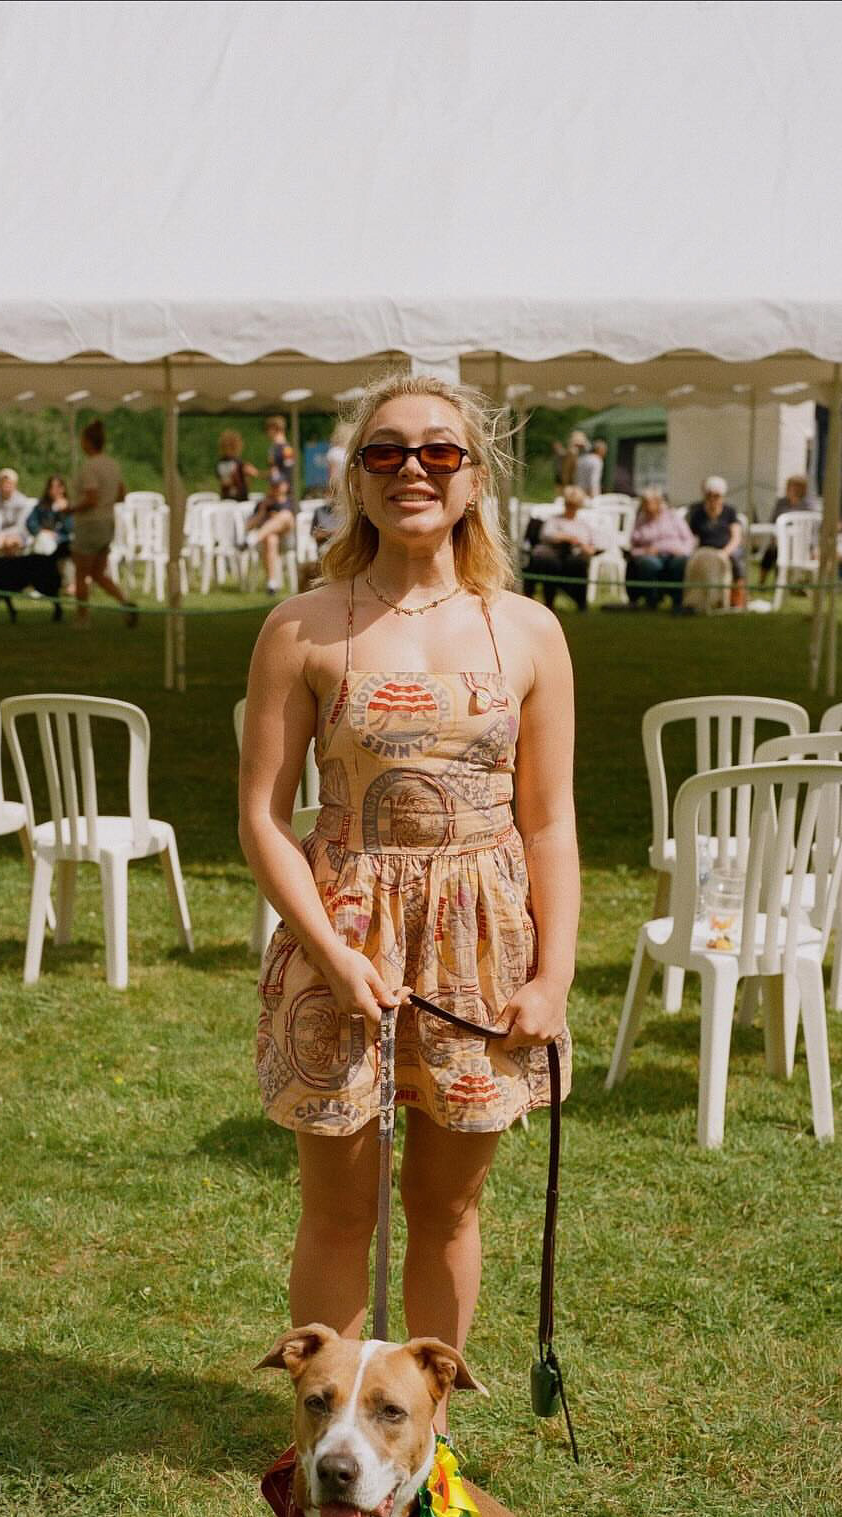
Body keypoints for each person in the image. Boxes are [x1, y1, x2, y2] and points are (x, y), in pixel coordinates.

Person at [239, 371, 576, 1435]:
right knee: (341, 1212)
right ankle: (330, 1433)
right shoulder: (302, 627)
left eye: (439, 451)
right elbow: (262, 816)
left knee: (448, 1207)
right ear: (356, 480)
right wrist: (331, 954)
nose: (413, 470)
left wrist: (554, 976)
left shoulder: (528, 630)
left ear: (476, 478)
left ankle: (422, 1435)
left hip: (481, 952)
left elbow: (550, 823)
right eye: (385, 452)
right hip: (341, 938)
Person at [71, 419, 139, 627]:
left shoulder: (90, 467)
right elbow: (121, 493)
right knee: (98, 573)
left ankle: (82, 617)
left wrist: (70, 509)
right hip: (108, 522)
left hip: (90, 524)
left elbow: (91, 498)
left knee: (81, 573)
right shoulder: (113, 465)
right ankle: (125, 603)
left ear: (87, 442)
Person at [524, 484, 600, 610]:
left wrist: (581, 545)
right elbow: (546, 535)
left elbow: (591, 548)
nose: (571, 508)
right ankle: (549, 602)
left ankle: (581, 603)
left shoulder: (584, 525)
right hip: (552, 556)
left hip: (572, 558)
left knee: (578, 564)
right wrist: (568, 538)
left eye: (574, 505)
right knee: (549, 562)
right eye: (569, 504)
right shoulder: (553, 520)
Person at [625, 486, 695, 610]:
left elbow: (689, 540)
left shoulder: (673, 516)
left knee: (680, 563)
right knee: (648, 564)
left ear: (658, 502)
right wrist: (645, 551)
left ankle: (678, 601)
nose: (646, 507)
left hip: (676, 554)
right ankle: (652, 600)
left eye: (649, 503)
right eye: (644, 503)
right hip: (651, 556)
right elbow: (632, 547)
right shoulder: (641, 520)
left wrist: (683, 552)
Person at [759, 473, 820, 582]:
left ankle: (791, 582)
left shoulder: (808, 504)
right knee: (771, 551)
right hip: (782, 540)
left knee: (780, 553)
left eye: (795, 487)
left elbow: (814, 528)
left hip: (803, 544)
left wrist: (814, 547)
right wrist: (775, 537)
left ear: (802, 489)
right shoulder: (781, 502)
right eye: (790, 486)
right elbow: (773, 521)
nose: (792, 489)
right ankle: (763, 582)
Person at [686, 475, 745, 583]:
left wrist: (725, 552)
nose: (712, 499)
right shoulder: (697, 513)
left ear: (722, 496)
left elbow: (736, 538)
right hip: (705, 549)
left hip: (727, 548)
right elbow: (692, 537)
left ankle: (739, 588)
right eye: (709, 495)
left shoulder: (730, 511)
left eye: (716, 496)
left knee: (735, 557)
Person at [247, 476, 297, 595]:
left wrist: (277, 519)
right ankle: (272, 583)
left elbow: (294, 523)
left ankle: (254, 538)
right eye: (273, 486)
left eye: (278, 485)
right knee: (271, 539)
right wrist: (262, 511)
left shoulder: (291, 503)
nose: (275, 488)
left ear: (285, 486)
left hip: (287, 539)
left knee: (285, 515)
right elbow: (248, 525)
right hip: (267, 542)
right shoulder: (263, 503)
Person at [26, 475, 74, 557]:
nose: (56, 491)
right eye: (53, 487)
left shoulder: (70, 507)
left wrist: (64, 512)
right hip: (43, 538)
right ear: (48, 490)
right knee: (43, 539)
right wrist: (42, 531)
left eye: (59, 487)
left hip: (62, 541)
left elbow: (70, 528)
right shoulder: (41, 506)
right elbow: (30, 522)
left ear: (63, 489)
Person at [0, 468, 35, 553]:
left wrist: (2, 534)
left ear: (15, 485)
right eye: (3, 482)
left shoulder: (22, 501)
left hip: (19, 533)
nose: (6, 485)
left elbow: (20, 526)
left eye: (9, 483)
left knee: (9, 542)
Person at [216, 429, 257, 502]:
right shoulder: (223, 463)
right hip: (230, 497)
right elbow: (224, 481)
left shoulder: (239, 463)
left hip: (236, 497)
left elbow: (252, 474)